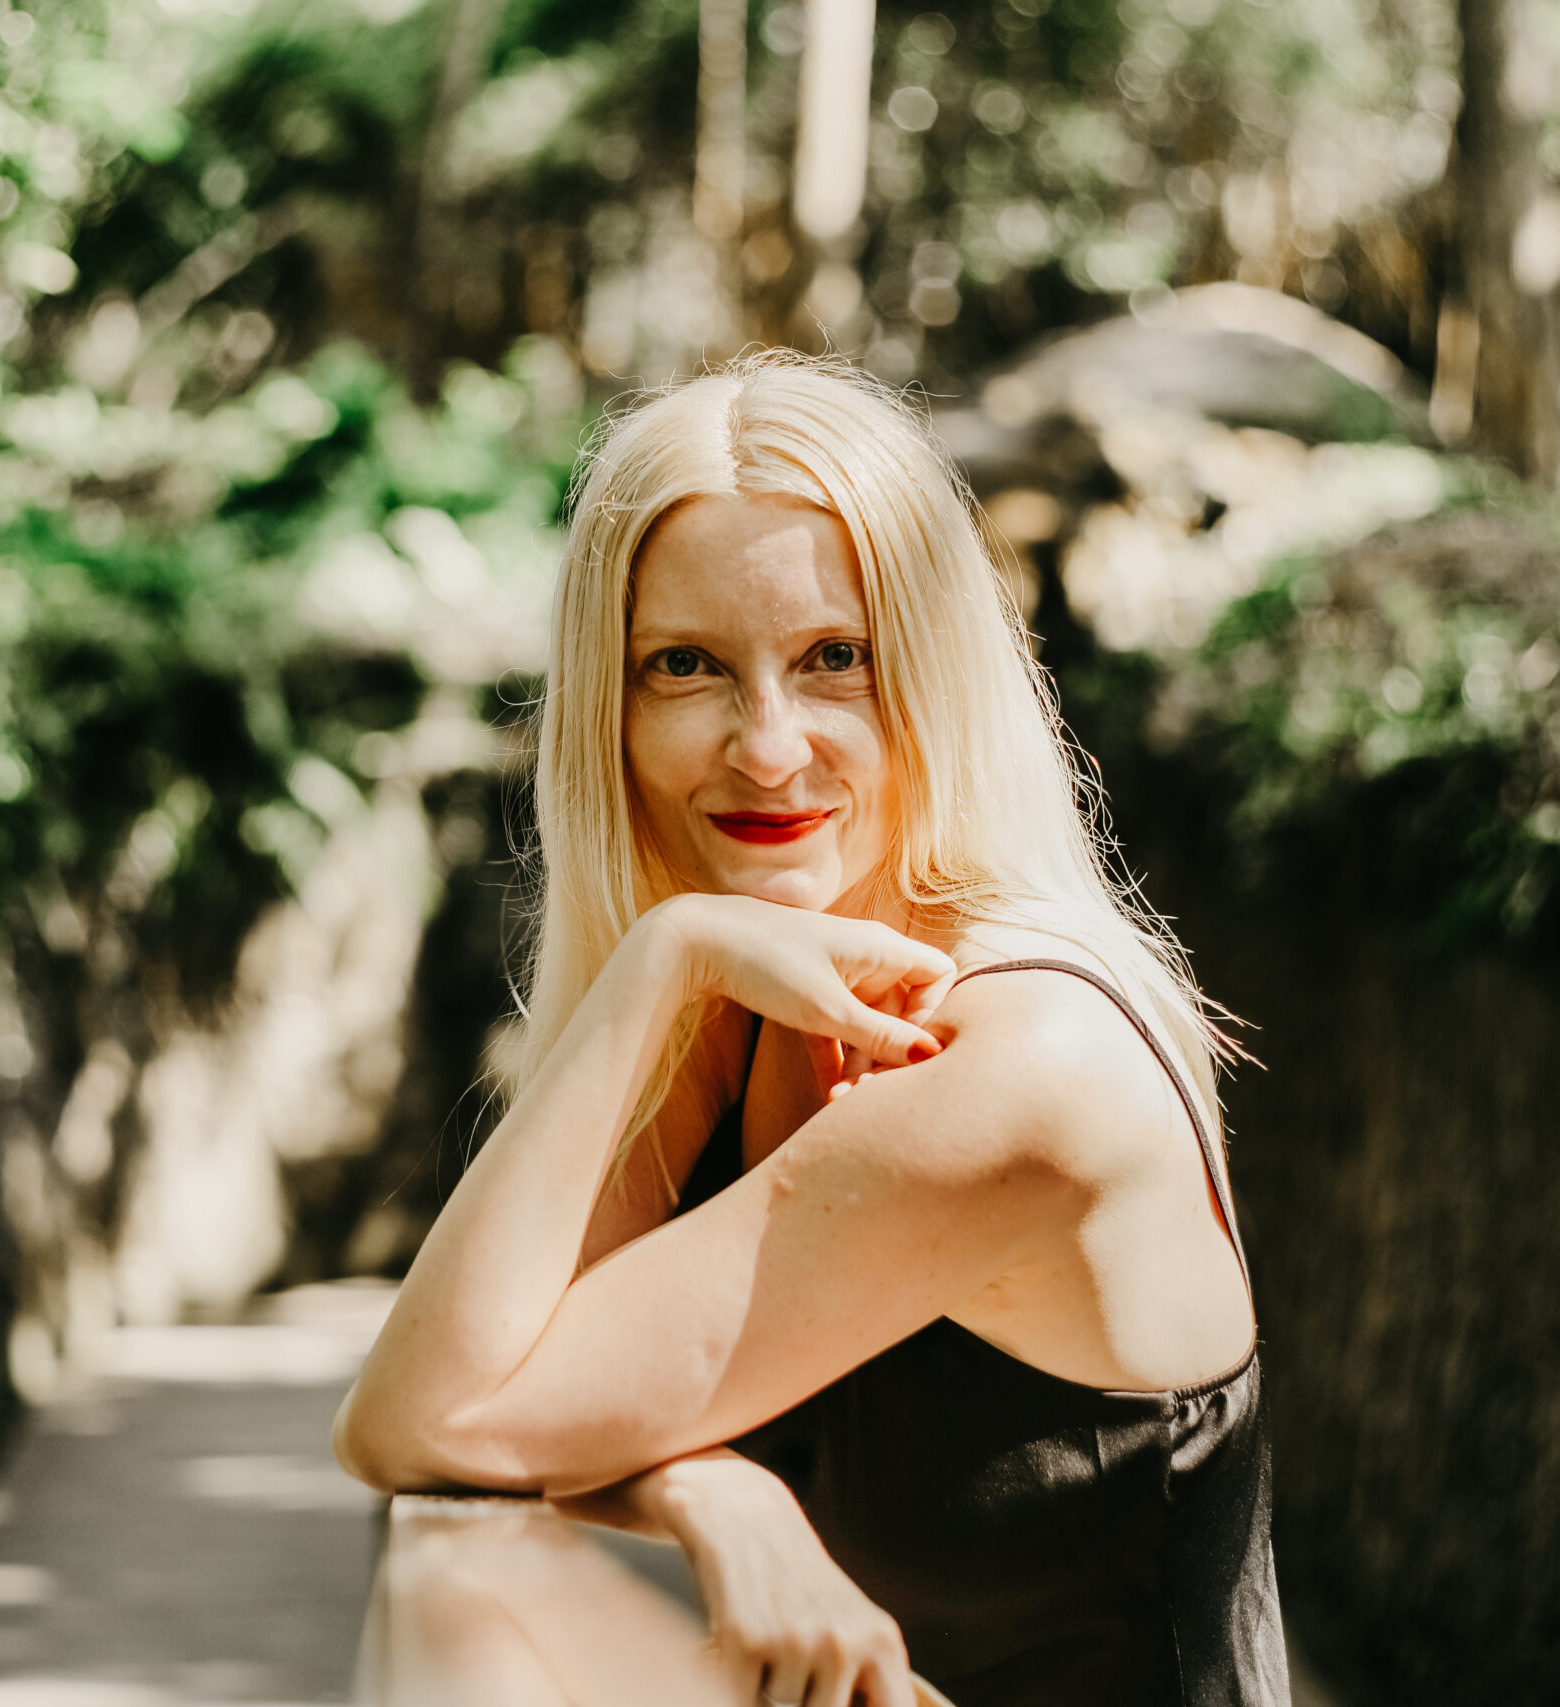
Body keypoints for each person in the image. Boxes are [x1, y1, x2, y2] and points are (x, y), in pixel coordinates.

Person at [335, 351, 1288, 1707]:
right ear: (611, 706)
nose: (767, 747)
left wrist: (668, 954)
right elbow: (480, 1377)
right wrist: (719, 1495)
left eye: (834, 657)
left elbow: (428, 1418)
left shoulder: (1023, 1064)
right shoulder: (751, 983)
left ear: (935, 670)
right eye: (686, 667)